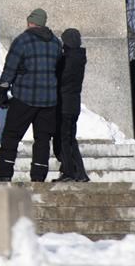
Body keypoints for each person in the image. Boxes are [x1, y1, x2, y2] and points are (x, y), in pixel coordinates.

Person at [0, 7, 62, 182]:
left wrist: (3, 91)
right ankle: (38, 176)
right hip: (49, 100)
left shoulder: (22, 41)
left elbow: (10, 68)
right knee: (43, 139)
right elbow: (59, 70)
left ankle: (5, 173)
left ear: (30, 22)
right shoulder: (55, 43)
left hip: (24, 97)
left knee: (11, 136)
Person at [53, 28, 89, 182]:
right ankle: (80, 173)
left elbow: (60, 79)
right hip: (74, 103)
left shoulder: (66, 59)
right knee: (70, 139)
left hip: (64, 103)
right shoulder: (79, 57)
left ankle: (69, 172)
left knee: (63, 139)